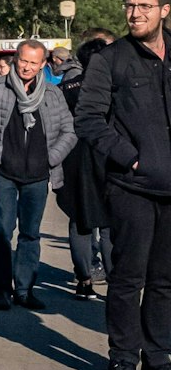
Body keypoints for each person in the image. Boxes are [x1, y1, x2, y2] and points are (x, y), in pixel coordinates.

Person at [74, 0, 171, 370]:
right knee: (128, 278)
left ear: (164, 11)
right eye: (130, 6)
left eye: (145, 6)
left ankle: (159, 356)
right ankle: (122, 361)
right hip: (131, 187)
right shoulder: (111, 60)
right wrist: (130, 156)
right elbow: (89, 119)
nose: (136, 14)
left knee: (166, 281)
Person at [0, 37, 76, 312]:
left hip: (38, 175)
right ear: (16, 59)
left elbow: (69, 131)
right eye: (23, 60)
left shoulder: (53, 94)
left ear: (43, 65)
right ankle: (2, 291)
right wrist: (0, 153)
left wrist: (50, 158)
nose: (27, 67)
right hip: (4, 171)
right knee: (3, 231)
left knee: (30, 234)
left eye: (33, 62)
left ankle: (25, 290)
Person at [58, 33, 114, 300]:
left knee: (79, 221)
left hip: (73, 159)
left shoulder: (65, 90)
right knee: (110, 223)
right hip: (108, 158)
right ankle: (116, 280)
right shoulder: (114, 88)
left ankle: (84, 278)